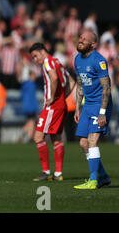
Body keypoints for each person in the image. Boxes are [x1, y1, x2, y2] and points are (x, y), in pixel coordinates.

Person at [73, 29, 113, 190]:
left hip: (100, 105)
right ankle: (103, 177)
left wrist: (102, 113)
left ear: (93, 44)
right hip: (87, 105)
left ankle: (93, 180)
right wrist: (77, 108)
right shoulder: (77, 59)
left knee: (92, 141)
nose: (80, 40)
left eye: (84, 39)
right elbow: (80, 84)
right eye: (80, 38)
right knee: (83, 144)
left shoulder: (99, 60)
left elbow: (107, 88)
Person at [29, 42, 75, 182]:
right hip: (61, 104)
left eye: (35, 56)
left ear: (42, 51)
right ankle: (58, 174)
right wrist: (63, 97)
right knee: (56, 138)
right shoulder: (58, 62)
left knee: (38, 137)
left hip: (53, 105)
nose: (35, 60)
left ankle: (46, 172)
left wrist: (53, 96)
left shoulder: (48, 61)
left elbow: (54, 78)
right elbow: (71, 83)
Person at [19, 70, 39, 143]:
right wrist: (36, 108)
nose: (35, 77)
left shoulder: (24, 85)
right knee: (32, 122)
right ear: (30, 76)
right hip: (31, 107)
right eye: (34, 76)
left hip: (26, 106)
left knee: (30, 122)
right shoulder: (32, 85)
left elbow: (22, 96)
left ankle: (23, 134)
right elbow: (32, 98)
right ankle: (29, 137)